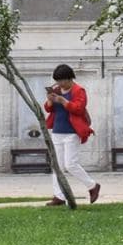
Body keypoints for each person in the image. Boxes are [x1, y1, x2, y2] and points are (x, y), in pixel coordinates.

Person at [42, 63, 100, 207]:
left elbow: (79, 109)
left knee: (70, 164)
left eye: (62, 80)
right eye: (57, 81)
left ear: (69, 78)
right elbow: (48, 109)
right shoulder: (57, 90)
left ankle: (92, 186)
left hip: (72, 132)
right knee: (57, 166)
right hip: (57, 131)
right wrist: (50, 100)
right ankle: (59, 196)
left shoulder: (79, 90)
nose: (59, 83)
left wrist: (63, 101)